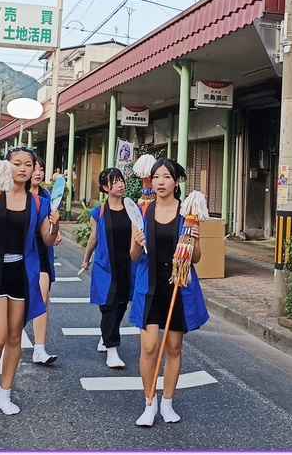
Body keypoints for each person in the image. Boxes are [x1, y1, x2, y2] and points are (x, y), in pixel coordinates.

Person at [0, 147, 60, 415]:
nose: (22, 168)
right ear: (7, 166)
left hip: (21, 274)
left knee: (14, 337)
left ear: (34, 169)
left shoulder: (38, 202)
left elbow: (46, 239)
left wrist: (53, 224)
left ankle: (5, 394)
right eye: (17, 163)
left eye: (28, 164)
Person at [129, 158, 208, 426]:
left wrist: (194, 239)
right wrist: (138, 243)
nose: (160, 182)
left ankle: (168, 403)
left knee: (173, 347)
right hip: (149, 285)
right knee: (149, 346)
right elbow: (133, 254)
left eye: (166, 177)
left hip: (177, 285)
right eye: (156, 177)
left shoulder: (188, 214)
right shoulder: (142, 211)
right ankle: (149, 403)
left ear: (177, 181)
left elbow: (195, 258)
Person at [80, 168, 134, 370]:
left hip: (127, 263)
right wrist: (86, 259)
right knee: (109, 306)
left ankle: (106, 336)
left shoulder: (131, 208)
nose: (120, 184)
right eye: (115, 181)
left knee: (121, 305)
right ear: (105, 187)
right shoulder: (99, 212)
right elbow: (93, 237)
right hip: (106, 265)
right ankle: (112, 350)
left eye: (121, 180)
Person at [29, 157, 61, 364]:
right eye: (34, 168)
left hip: (40, 251)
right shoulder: (13, 195)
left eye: (41, 169)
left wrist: (54, 230)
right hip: (18, 252)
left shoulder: (48, 196)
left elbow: (50, 227)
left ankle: (39, 348)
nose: (37, 172)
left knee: (42, 297)